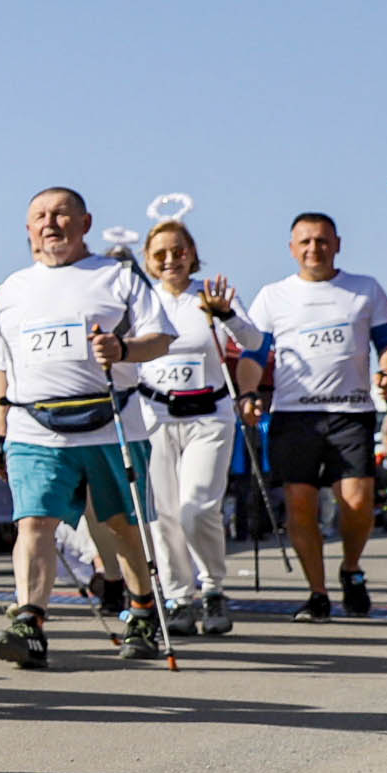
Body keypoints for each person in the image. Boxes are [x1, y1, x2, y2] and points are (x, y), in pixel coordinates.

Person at [0, 188, 173, 665]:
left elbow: (161, 338)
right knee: (33, 523)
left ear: (84, 222)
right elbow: (1, 364)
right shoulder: (12, 289)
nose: (51, 224)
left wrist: (124, 350)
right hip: (34, 427)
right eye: (40, 217)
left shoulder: (118, 276)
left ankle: (143, 612)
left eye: (61, 214)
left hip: (112, 424)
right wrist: (1, 432)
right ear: (28, 229)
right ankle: (29, 622)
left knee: (122, 527)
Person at [245, 211, 387, 619]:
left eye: (321, 240)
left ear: (337, 244)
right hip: (294, 415)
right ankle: (317, 593)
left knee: (357, 502)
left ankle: (351, 569)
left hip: (350, 410)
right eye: (305, 242)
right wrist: (247, 392)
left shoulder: (363, 289)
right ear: (292, 248)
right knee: (300, 506)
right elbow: (255, 353)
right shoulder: (273, 296)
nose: (314, 248)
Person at [137, 218, 261, 638]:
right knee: (164, 514)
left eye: (179, 251)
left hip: (209, 414)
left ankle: (212, 587)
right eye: (161, 254)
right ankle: (177, 597)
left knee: (197, 507)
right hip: (155, 416)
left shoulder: (208, 296)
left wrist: (225, 313)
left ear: (192, 253)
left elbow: (255, 341)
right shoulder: (141, 300)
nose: (171, 260)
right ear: (149, 261)